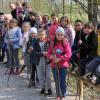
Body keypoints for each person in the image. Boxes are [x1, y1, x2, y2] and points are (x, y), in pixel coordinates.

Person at [47, 27, 72, 100]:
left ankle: (63, 94)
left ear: (63, 35)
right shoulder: (52, 44)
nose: (59, 36)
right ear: (55, 35)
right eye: (58, 35)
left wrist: (60, 58)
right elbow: (48, 53)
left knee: (62, 80)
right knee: (56, 80)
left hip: (63, 65)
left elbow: (69, 54)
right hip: (54, 65)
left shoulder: (66, 44)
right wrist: (51, 56)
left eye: (61, 35)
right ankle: (58, 94)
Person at [32, 28, 52, 95]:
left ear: (45, 35)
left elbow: (51, 51)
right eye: (40, 35)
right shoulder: (35, 43)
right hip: (39, 62)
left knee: (48, 76)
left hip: (47, 62)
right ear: (37, 35)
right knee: (41, 76)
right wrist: (42, 53)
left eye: (43, 34)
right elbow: (34, 53)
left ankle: (49, 88)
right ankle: (43, 88)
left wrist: (48, 54)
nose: (41, 36)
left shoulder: (48, 43)